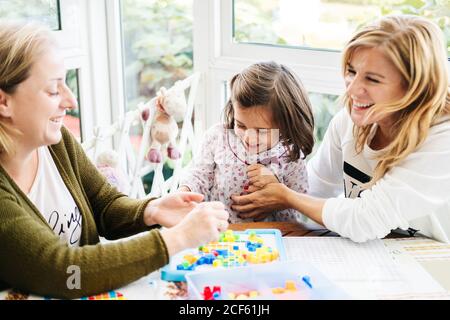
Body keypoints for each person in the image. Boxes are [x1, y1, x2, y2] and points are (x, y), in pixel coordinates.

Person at [0, 22, 229, 299]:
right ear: (4, 102)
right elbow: (64, 271)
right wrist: (178, 238)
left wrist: (152, 210)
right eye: (52, 90)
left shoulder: (56, 142)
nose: (70, 101)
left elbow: (104, 204)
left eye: (66, 85)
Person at [231, 15, 450, 243]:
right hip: (376, 256)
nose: (353, 90)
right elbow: (313, 193)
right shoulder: (348, 122)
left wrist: (286, 197)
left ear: (415, 86)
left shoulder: (442, 140)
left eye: (372, 80)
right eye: (351, 71)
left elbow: (364, 221)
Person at [178, 61, 315, 223]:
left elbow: (294, 216)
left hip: (265, 240)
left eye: (261, 131)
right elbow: (200, 175)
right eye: (240, 125)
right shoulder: (217, 138)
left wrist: (277, 194)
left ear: (285, 124)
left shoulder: (291, 156)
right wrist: (185, 191)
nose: (249, 138)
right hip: (218, 233)